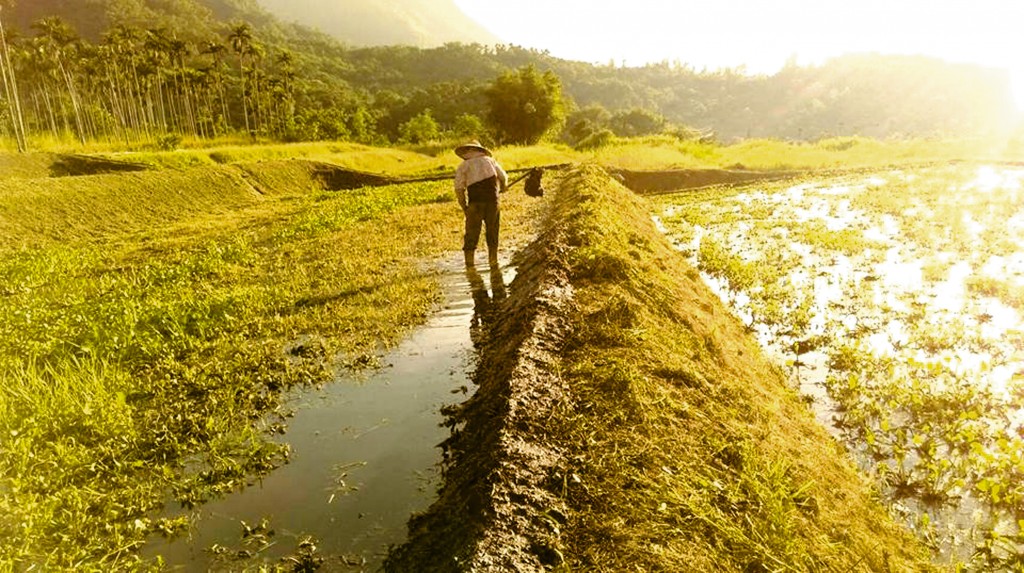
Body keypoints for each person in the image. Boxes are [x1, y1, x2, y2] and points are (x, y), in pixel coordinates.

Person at [454, 140, 507, 267]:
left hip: (475, 203)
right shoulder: (490, 161)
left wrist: (464, 207)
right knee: (492, 231)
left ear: (468, 152)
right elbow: (503, 177)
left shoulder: (464, 165)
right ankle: (493, 261)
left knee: (471, 233)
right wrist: (503, 187)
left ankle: (470, 264)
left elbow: (459, 188)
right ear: (480, 150)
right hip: (492, 202)